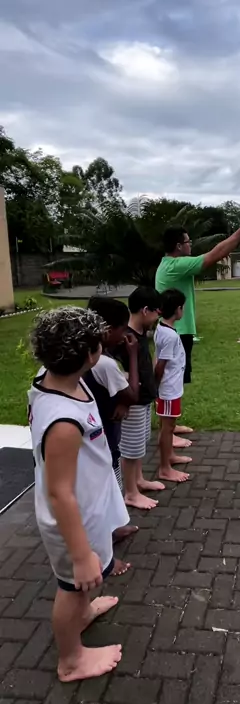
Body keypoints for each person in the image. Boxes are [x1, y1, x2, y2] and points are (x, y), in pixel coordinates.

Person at [28, 306, 128, 682]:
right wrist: (81, 554)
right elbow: (59, 493)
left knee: (84, 584)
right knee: (72, 586)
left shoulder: (56, 377)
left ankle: (84, 613)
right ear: (89, 354)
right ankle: (70, 660)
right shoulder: (63, 422)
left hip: (90, 507)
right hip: (74, 518)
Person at [155, 215, 240, 447]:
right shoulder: (175, 266)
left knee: (176, 382)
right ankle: (167, 433)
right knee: (169, 384)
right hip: (176, 333)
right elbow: (216, 253)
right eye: (188, 241)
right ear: (178, 246)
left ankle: (171, 425)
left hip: (179, 331)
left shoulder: (173, 265)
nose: (191, 245)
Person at [84, 296, 140, 576]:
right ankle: (105, 557)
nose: (125, 334)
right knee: (104, 495)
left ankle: (114, 531)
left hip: (100, 434)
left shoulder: (90, 357)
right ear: (107, 330)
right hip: (101, 439)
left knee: (110, 489)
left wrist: (122, 402)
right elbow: (133, 394)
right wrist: (133, 355)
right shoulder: (104, 363)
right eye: (122, 329)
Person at [114, 287, 164, 510]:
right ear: (145, 310)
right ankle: (131, 493)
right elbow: (113, 368)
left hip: (144, 399)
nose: (156, 318)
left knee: (140, 443)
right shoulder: (124, 337)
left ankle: (139, 480)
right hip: (132, 401)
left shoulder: (141, 333)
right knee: (130, 448)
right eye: (156, 313)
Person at [154, 289, 190, 484]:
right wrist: (156, 388)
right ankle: (164, 468)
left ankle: (170, 456)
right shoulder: (170, 336)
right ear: (177, 309)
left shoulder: (162, 328)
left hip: (170, 388)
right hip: (168, 390)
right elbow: (160, 365)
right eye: (182, 307)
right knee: (167, 429)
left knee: (168, 426)